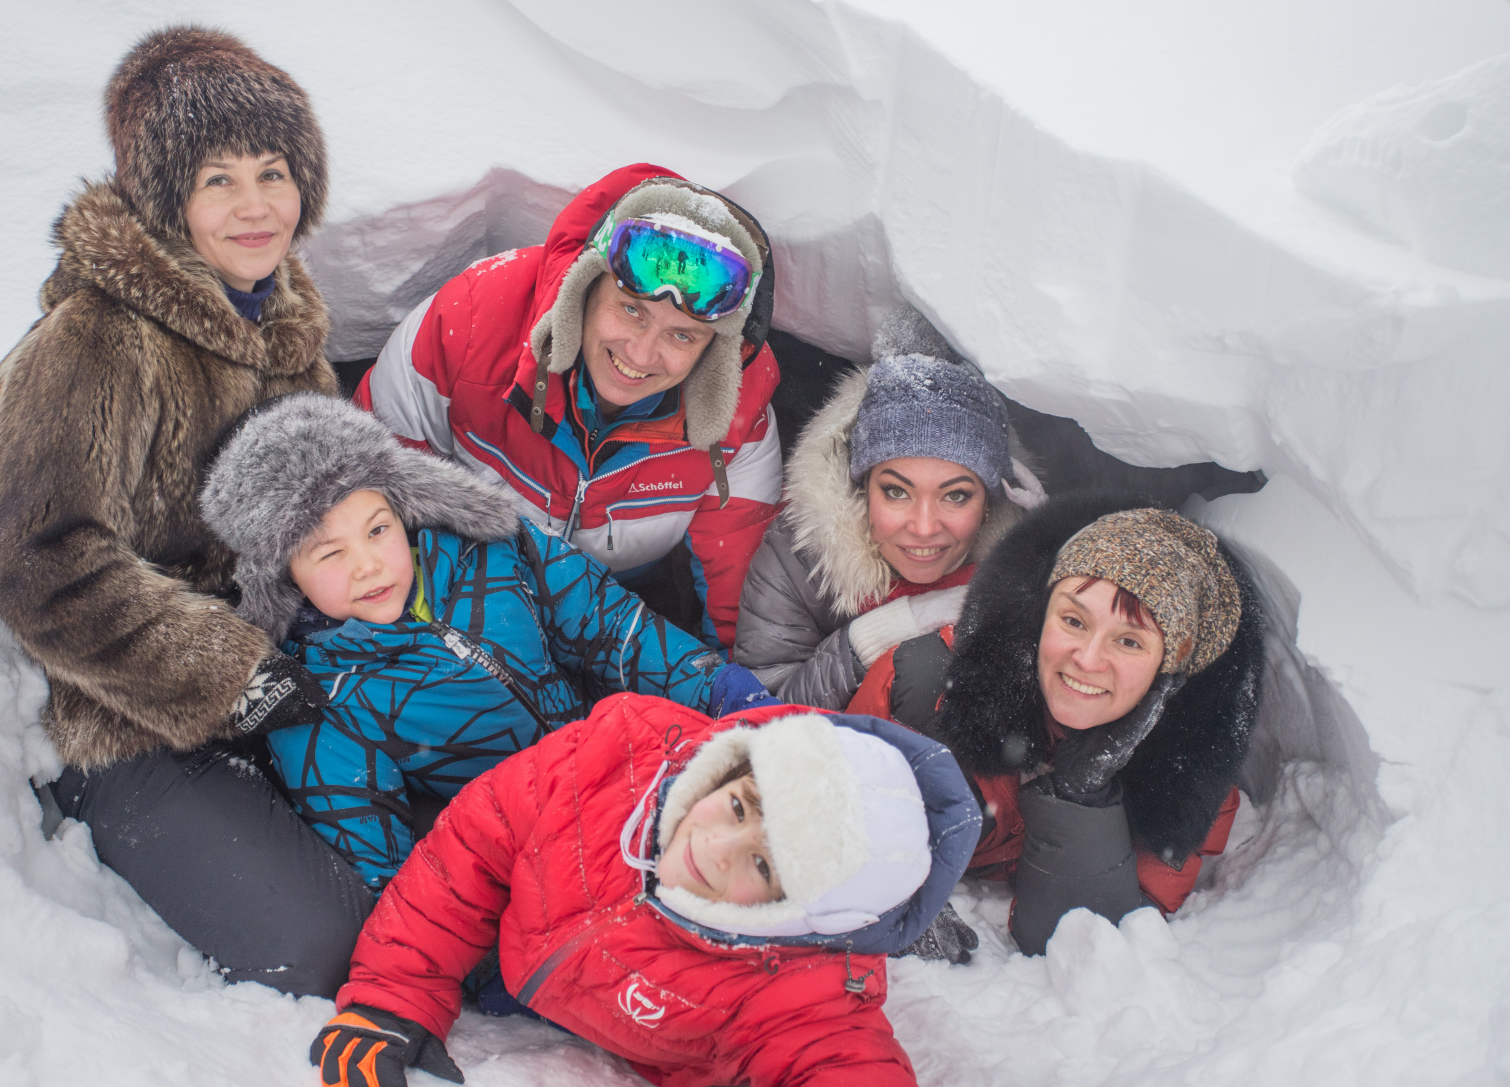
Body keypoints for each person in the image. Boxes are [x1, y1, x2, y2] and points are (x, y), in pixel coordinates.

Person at [0, 27, 371, 997]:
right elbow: (36, 558)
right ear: (165, 197)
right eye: (216, 179)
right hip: (122, 712)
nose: (253, 205)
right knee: (330, 940)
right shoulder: (97, 338)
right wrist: (226, 673)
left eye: (272, 171)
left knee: (448, 848)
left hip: (277, 668)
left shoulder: (283, 332)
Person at [199, 393, 779, 893]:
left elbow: (610, 628)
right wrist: (479, 957)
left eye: (378, 530)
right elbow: (374, 849)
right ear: (282, 579)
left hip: (623, 760)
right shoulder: (320, 698)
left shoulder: (494, 548)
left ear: (405, 511)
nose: (368, 565)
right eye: (330, 553)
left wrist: (713, 686)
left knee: (754, 832)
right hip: (532, 852)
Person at [305, 692, 982, 1087]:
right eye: (741, 808)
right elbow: (472, 848)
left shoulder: (800, 978)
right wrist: (394, 995)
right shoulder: (609, 755)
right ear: (732, 771)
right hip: (527, 945)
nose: (713, 849)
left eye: (765, 868)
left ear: (800, 918)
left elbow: (839, 1056)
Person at [356, 164, 783, 651]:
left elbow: (739, 601)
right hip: (462, 582)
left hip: (625, 608)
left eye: (681, 335)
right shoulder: (473, 322)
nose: (640, 354)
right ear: (584, 288)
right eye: (630, 310)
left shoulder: (738, 406)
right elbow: (366, 487)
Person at [848, 498, 1264, 955]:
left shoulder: (1184, 786)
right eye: (1073, 620)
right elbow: (828, 814)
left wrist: (1084, 798)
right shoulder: (923, 685)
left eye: (1128, 640)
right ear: (1040, 616)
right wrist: (892, 894)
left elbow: (1083, 947)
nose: (1087, 659)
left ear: (1170, 668)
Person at [734, 308, 1045, 711]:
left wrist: (1045, 556)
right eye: (897, 492)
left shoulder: (1020, 566)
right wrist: (883, 632)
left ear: (989, 503)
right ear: (864, 489)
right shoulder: (797, 558)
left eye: (956, 496)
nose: (924, 527)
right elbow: (758, 713)